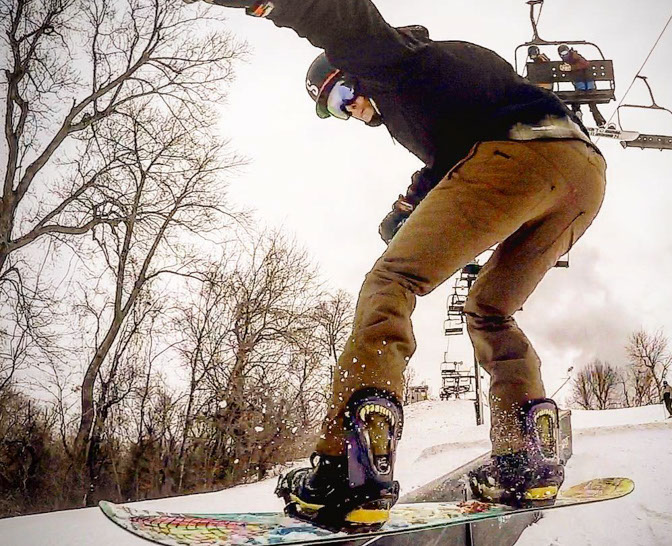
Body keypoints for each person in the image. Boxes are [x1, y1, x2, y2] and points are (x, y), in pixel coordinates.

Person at [189, 0, 607, 530]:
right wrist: (402, 215)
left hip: (517, 157)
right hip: (582, 175)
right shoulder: (433, 86)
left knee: (391, 280)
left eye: (342, 95)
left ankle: (351, 462)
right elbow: (448, 167)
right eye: (337, 111)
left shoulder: (391, 61)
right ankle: (528, 460)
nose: (352, 112)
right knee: (491, 309)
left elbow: (336, 15)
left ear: (352, 72)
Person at [557, 44, 607, 128]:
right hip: (581, 86)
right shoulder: (569, 61)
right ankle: (580, 116)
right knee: (580, 101)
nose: (565, 55)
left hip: (586, 85)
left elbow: (585, 64)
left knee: (589, 101)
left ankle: (598, 121)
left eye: (566, 52)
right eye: (562, 53)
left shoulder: (575, 57)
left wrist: (570, 68)